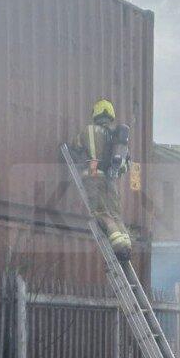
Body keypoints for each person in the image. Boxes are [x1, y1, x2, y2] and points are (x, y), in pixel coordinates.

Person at [70, 99, 132, 260]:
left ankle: (118, 247)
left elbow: (74, 148)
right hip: (111, 182)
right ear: (111, 114)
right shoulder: (116, 138)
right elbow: (126, 166)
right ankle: (125, 244)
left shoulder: (88, 131)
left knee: (101, 212)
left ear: (95, 114)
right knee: (115, 214)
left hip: (93, 176)